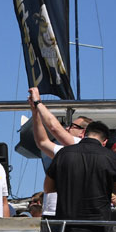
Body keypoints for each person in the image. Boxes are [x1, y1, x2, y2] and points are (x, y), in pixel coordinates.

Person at [45, 121, 116, 232]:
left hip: (66, 229)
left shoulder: (63, 154)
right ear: (104, 142)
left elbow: (47, 188)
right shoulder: (111, 157)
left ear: (83, 134)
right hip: (97, 230)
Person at [27, 86, 89, 218]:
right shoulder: (67, 151)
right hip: (52, 211)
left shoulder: (83, 148)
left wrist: (38, 103)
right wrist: (35, 113)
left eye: (73, 126)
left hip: (68, 213)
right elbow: (42, 142)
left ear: (83, 133)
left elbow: (54, 128)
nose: (67, 128)